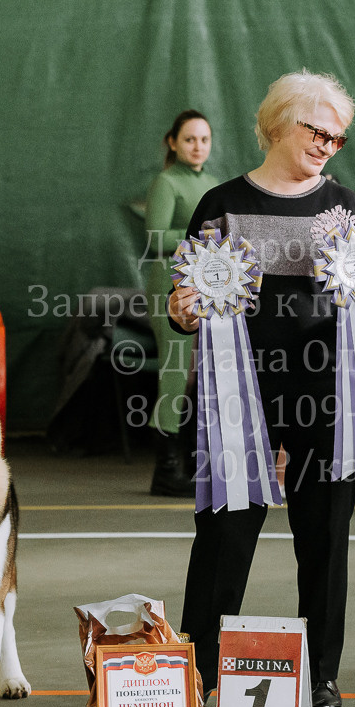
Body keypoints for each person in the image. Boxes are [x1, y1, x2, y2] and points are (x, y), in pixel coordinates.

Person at [168, 70, 355, 707]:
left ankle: (322, 673)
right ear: (277, 124)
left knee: (325, 537)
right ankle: (197, 674)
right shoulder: (220, 203)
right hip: (236, 396)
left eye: (338, 137)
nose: (328, 145)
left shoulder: (344, 205)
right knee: (223, 533)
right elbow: (185, 297)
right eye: (317, 131)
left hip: (327, 394)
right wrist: (180, 312)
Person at [143, 110, 218, 496]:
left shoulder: (213, 184)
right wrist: (203, 234)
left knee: (196, 376)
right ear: (173, 143)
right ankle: (166, 469)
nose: (198, 146)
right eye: (189, 139)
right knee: (174, 373)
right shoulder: (167, 181)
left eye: (204, 139)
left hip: (206, 287)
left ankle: (190, 460)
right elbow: (156, 237)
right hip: (170, 286)